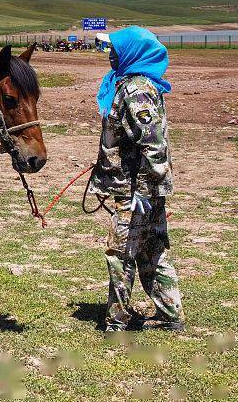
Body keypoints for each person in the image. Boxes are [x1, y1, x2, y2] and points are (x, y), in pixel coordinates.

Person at [91, 26, 184, 333]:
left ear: (132, 52)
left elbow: (153, 143)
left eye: (115, 49)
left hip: (137, 191)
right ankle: (171, 315)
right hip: (145, 188)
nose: (111, 55)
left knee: (120, 253)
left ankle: (116, 321)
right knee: (153, 250)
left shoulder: (136, 90)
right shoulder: (135, 84)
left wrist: (142, 191)